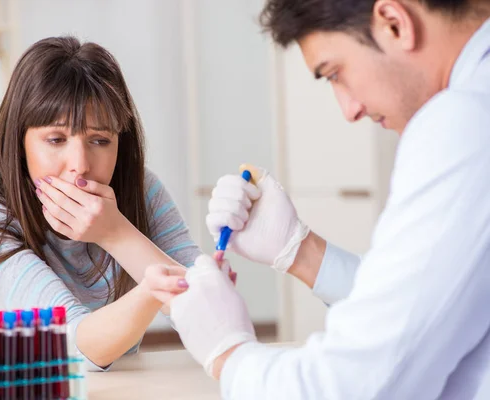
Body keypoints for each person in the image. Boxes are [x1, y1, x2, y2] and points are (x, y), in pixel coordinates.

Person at [144, 0, 490, 398]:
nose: (349, 110)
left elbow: (359, 385)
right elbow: (430, 309)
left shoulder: (463, 122)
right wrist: (298, 249)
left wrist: (228, 352)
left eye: (335, 74)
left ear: (394, 23)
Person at [0, 36, 200, 370]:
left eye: (100, 140)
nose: (80, 164)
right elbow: (73, 348)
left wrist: (117, 233)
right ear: (20, 142)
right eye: (56, 140)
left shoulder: (141, 190)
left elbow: (214, 319)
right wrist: (152, 287)